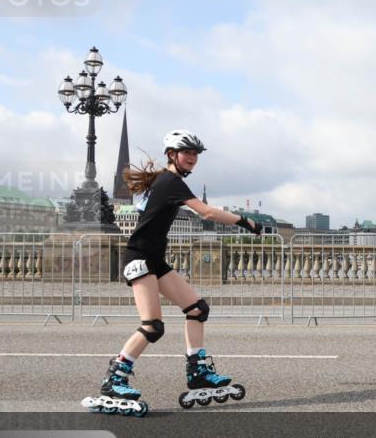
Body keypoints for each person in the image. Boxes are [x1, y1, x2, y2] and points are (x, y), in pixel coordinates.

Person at [81, 130, 262, 416]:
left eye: (195, 154)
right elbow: (206, 213)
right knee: (153, 326)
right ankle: (114, 379)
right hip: (139, 258)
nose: (192, 158)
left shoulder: (164, 181)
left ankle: (197, 371)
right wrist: (245, 221)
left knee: (197, 309)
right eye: (187, 153)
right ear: (171, 155)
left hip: (155, 259)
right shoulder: (170, 181)